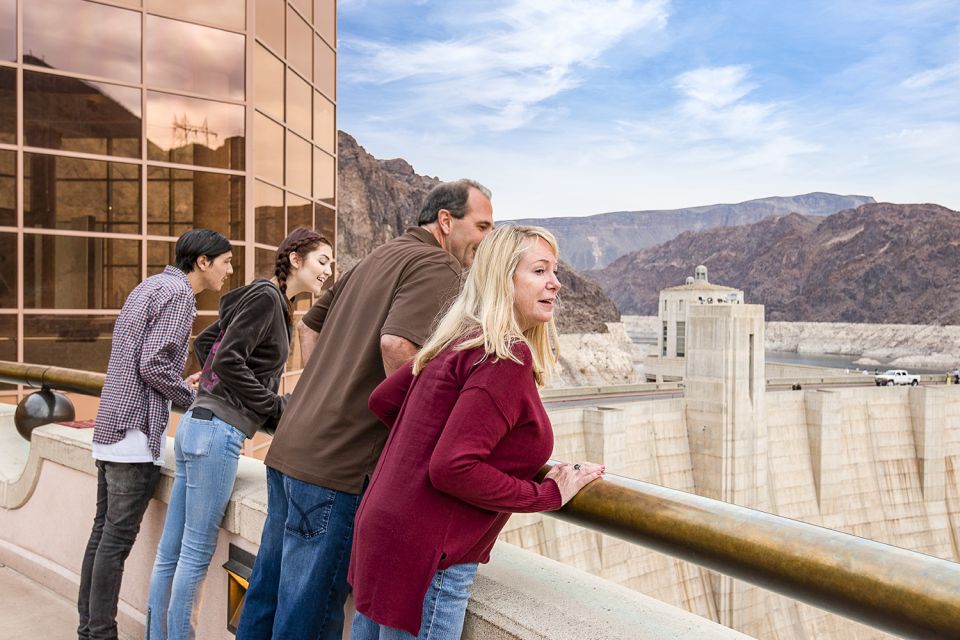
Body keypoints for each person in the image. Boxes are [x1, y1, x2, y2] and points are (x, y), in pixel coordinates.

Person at [236, 179, 494, 640]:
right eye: (482, 226)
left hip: (291, 449)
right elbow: (397, 344)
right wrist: (412, 429)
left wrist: (329, 394)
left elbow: (309, 327)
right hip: (339, 470)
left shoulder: (375, 257)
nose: (486, 239)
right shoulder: (439, 267)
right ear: (446, 221)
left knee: (267, 596)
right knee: (308, 619)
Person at [348, 224, 604, 639]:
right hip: (430, 555)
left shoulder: (457, 342)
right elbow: (452, 467)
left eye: (554, 272)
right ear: (504, 278)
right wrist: (548, 495)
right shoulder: (504, 355)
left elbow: (384, 401)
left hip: (385, 529)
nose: (556, 284)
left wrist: (423, 443)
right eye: (540, 271)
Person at [145, 228, 334, 640]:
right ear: (296, 259)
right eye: (323, 260)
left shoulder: (267, 300)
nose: (328, 271)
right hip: (218, 434)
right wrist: (275, 410)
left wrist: (215, 385)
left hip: (197, 424)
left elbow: (210, 341)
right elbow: (230, 360)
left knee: (170, 552)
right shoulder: (267, 298)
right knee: (193, 555)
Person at [79, 229, 233, 640]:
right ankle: (99, 634)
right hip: (134, 435)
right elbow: (152, 364)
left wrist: (184, 383)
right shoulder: (180, 295)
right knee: (114, 543)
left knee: (101, 538)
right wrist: (191, 392)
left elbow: (145, 359)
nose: (229, 270)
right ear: (203, 261)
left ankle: (89, 630)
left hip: (111, 426)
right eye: (225, 261)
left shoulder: (151, 285)